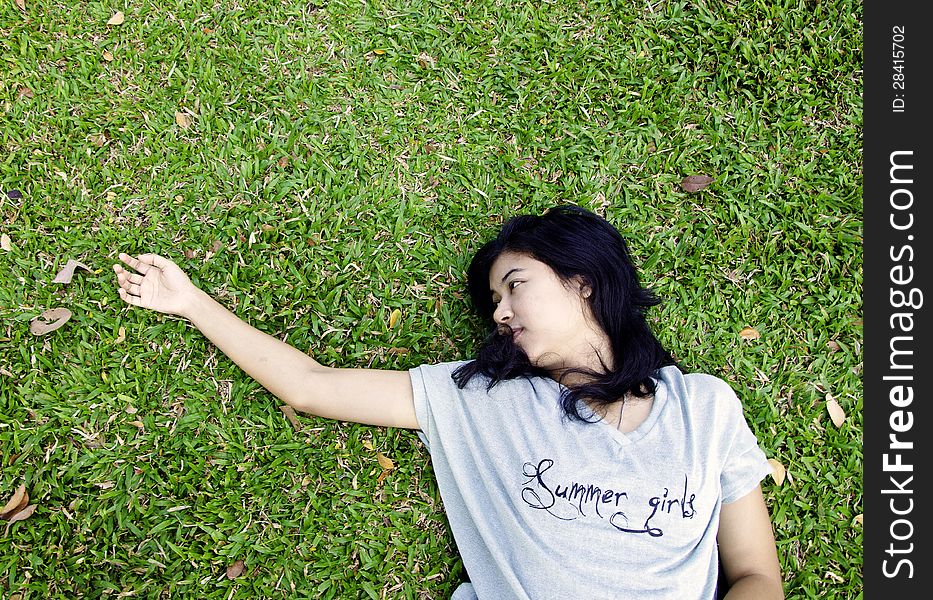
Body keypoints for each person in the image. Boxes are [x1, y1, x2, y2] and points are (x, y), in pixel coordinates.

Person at [112, 204, 784, 599]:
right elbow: (310, 386)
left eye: (514, 286)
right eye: (494, 299)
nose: (499, 312)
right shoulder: (481, 400)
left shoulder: (704, 407)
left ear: (582, 280)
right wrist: (191, 303)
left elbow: (755, 574)